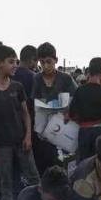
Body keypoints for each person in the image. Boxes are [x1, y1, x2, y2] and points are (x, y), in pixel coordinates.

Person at [0, 45, 38, 200]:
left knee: (33, 177)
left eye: (16, 62)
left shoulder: (17, 87)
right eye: (11, 62)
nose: (15, 66)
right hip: (2, 143)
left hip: (21, 141)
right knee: (6, 180)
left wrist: (28, 136)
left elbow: (26, 113)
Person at [32, 42, 77, 171]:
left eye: (49, 61)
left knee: (63, 162)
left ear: (56, 60)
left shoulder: (66, 78)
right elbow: (37, 106)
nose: (45, 66)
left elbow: (72, 102)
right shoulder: (37, 79)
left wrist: (63, 109)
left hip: (63, 126)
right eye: (42, 62)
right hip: (44, 130)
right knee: (45, 163)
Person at [69, 57, 101, 161]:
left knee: (84, 165)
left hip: (84, 132)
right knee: (100, 163)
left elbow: (72, 114)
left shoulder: (80, 90)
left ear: (89, 71)